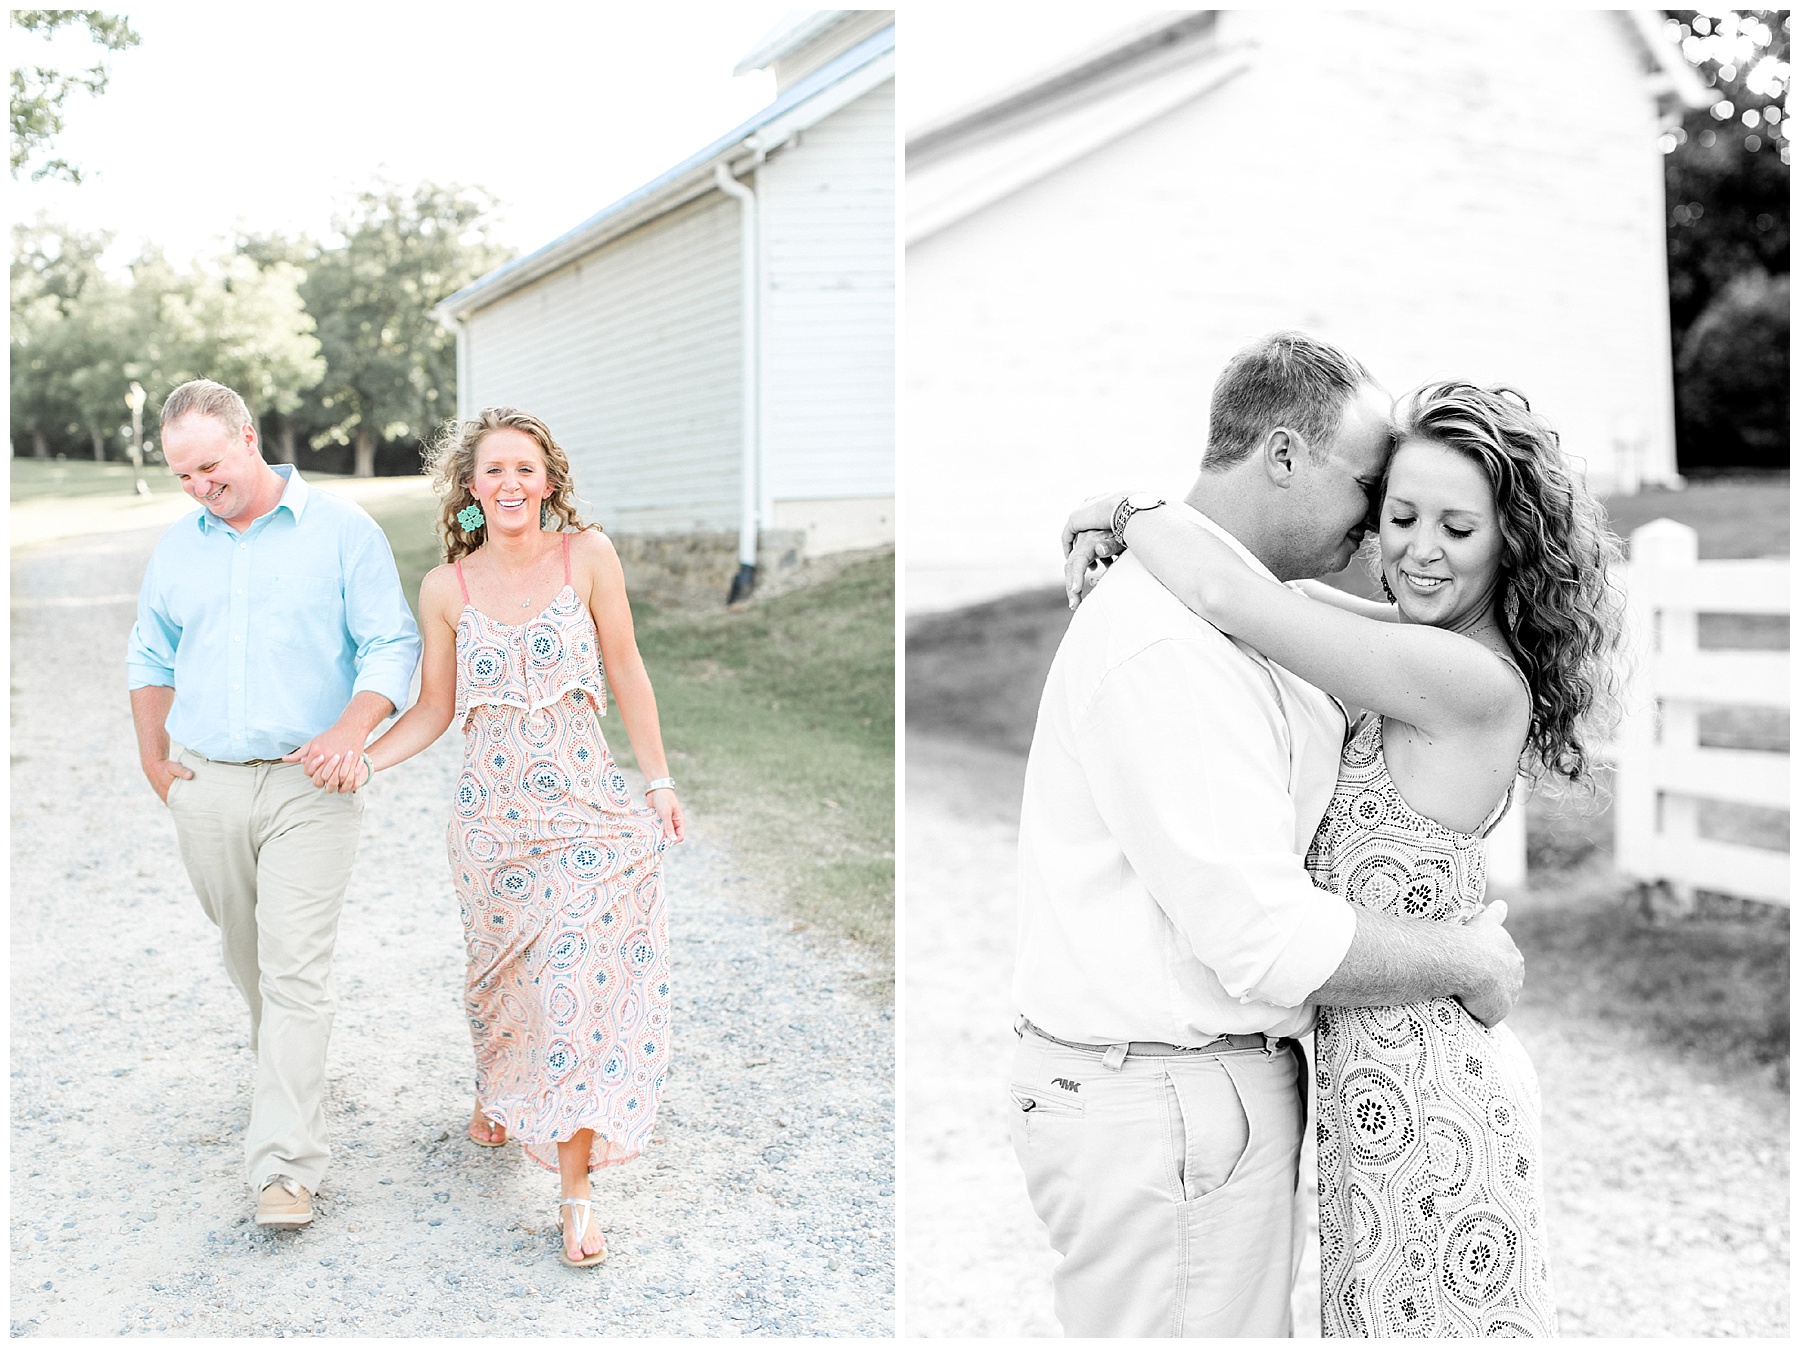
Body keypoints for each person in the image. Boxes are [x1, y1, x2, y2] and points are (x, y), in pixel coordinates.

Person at [1064, 379, 1624, 1336]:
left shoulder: (1464, 678)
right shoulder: (1416, 642)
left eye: (1459, 527)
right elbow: (1292, 590)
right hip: (1376, 1085)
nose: (1418, 549)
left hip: (1433, 1098)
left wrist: (1123, 511)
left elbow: (1230, 595)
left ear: (1511, 542)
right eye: (1399, 515)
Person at [313, 407, 683, 1268]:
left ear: (547, 481)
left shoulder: (587, 557)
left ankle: (575, 1193)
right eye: (493, 472)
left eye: (525, 469)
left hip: (587, 814)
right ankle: (499, 1089)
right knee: (501, 984)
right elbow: (436, 709)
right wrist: (362, 759)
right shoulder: (448, 586)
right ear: (471, 490)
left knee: (572, 993)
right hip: (492, 825)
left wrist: (657, 781)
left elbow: (626, 667)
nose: (510, 484)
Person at [127, 378, 422, 1228]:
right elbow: (150, 650)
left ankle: (285, 1165)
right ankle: (285, 1081)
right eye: (181, 475)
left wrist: (350, 730)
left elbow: (391, 642)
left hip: (311, 784)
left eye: (209, 467)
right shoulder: (180, 546)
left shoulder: (341, 531)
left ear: (248, 438)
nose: (198, 488)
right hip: (208, 785)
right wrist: (154, 759)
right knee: (248, 959)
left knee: (294, 969)